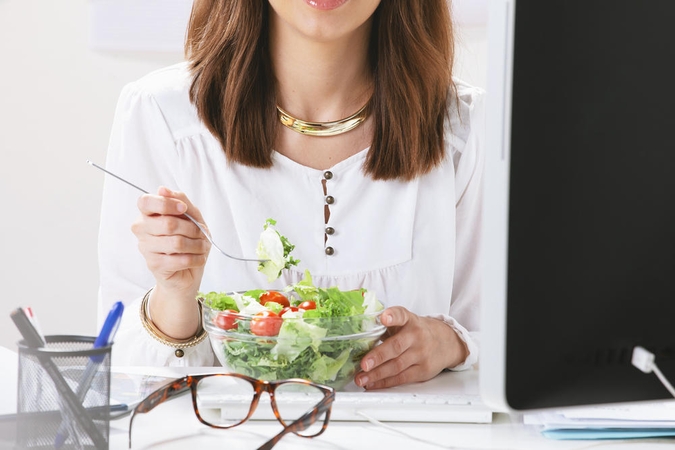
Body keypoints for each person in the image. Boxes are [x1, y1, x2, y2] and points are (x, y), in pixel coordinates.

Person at [98, 0, 484, 390]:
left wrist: (451, 342)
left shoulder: (468, 130)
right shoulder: (162, 117)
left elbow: (513, 340)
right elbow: (124, 373)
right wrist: (175, 295)